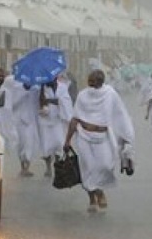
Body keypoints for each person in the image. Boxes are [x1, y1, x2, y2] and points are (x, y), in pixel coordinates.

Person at [64, 69, 134, 212]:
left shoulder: (110, 94)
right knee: (88, 168)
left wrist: (127, 137)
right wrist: (67, 140)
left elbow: (120, 115)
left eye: (94, 83)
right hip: (84, 136)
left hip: (103, 137)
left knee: (105, 166)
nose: (92, 86)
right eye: (90, 83)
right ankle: (92, 199)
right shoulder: (83, 96)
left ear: (101, 82)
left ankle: (100, 191)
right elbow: (75, 118)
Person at [37, 78, 73, 177]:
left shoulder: (63, 87)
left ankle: (57, 166)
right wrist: (41, 92)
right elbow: (40, 102)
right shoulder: (41, 88)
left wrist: (49, 100)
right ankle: (48, 167)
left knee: (59, 143)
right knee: (46, 146)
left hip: (58, 119)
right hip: (45, 121)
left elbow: (64, 101)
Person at [10, 80, 41, 177]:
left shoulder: (36, 89)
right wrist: (23, 93)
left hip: (31, 121)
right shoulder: (16, 87)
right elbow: (12, 104)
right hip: (19, 121)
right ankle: (22, 166)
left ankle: (27, 168)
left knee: (29, 143)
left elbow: (39, 103)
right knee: (21, 144)